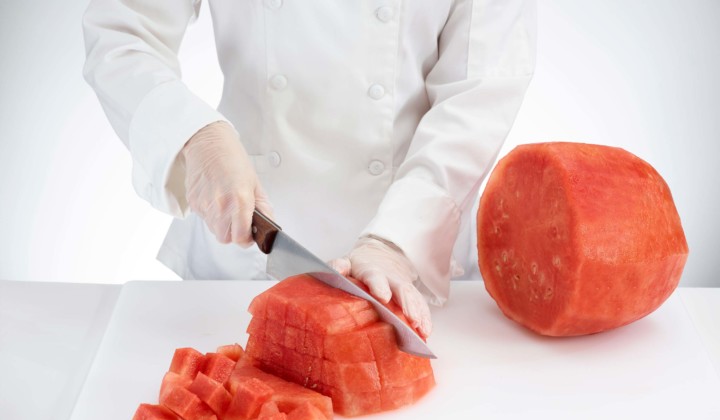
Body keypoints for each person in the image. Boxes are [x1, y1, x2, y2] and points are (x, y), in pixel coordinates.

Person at [82, 0, 536, 338]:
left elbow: (481, 88)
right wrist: (195, 136)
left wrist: (398, 242)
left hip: (416, 269)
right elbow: (122, 31)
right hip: (247, 248)